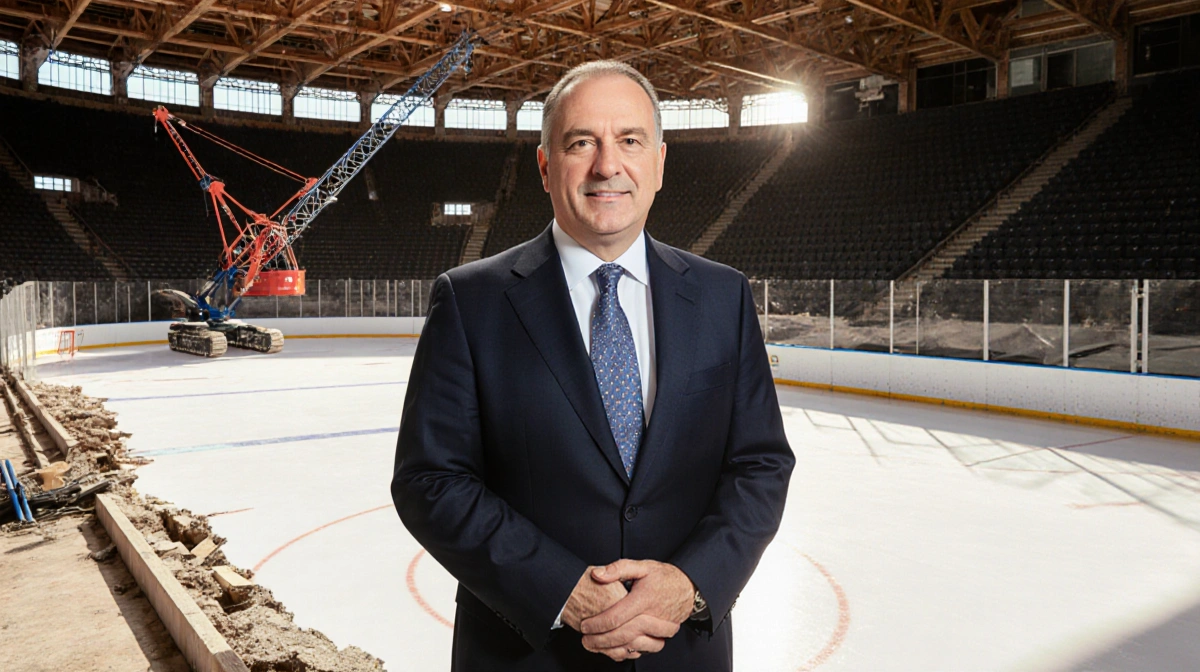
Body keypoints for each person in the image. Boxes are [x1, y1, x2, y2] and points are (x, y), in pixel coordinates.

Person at [392, 61, 795, 671]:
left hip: (681, 651)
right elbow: (430, 480)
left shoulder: (723, 295)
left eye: (629, 141)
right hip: (528, 654)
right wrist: (559, 588)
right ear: (546, 166)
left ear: (659, 162)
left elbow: (760, 463)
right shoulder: (471, 300)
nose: (608, 165)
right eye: (582, 142)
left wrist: (690, 582)